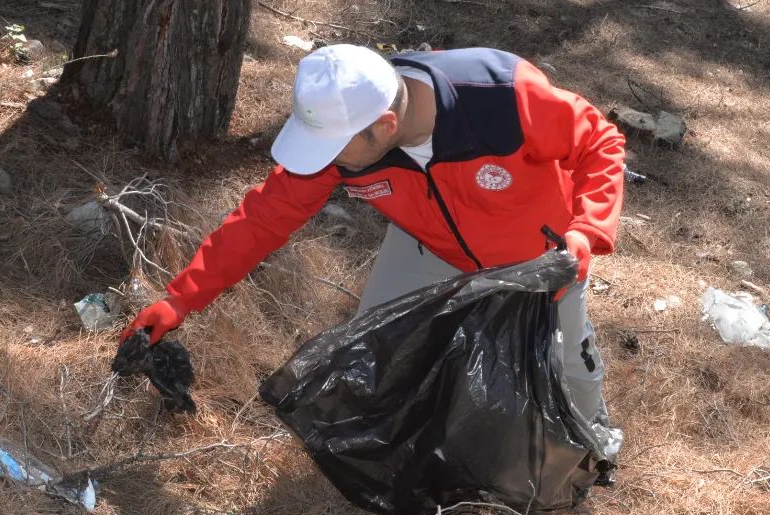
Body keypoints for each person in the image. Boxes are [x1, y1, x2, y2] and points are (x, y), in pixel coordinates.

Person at [123, 45, 627, 461]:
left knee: (570, 370)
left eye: (335, 149)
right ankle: (409, 445)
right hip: (430, 245)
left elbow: (599, 143)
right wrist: (181, 298)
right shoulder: (345, 138)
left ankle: (590, 456)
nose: (324, 162)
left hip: (540, 256)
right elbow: (263, 218)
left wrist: (585, 231)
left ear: (385, 125)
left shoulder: (500, 95)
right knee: (380, 348)